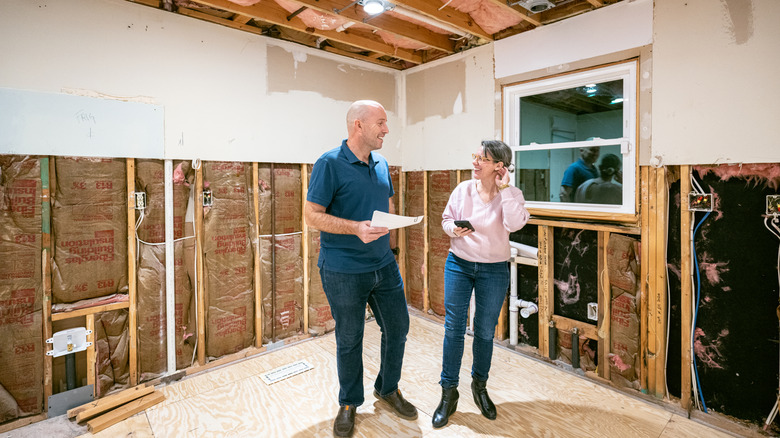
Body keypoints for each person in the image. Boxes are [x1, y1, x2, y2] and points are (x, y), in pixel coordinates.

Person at [305, 100, 417, 437]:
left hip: (383, 265)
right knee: (350, 338)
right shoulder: (329, 163)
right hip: (343, 270)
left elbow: (387, 201)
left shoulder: (381, 162)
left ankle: (387, 387)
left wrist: (393, 245)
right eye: (381, 123)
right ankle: (349, 402)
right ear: (358, 125)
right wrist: (355, 227)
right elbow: (311, 216)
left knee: (398, 327)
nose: (386, 130)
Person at [433, 140, 530, 428]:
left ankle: (480, 387)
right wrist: (453, 228)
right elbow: (446, 219)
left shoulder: (511, 195)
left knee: (485, 332)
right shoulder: (462, 189)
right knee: (454, 329)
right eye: (475, 157)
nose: (475, 163)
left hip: (494, 270)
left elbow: (514, 224)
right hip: (459, 264)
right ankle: (448, 393)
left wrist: (505, 190)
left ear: (499, 166)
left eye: (483, 160)